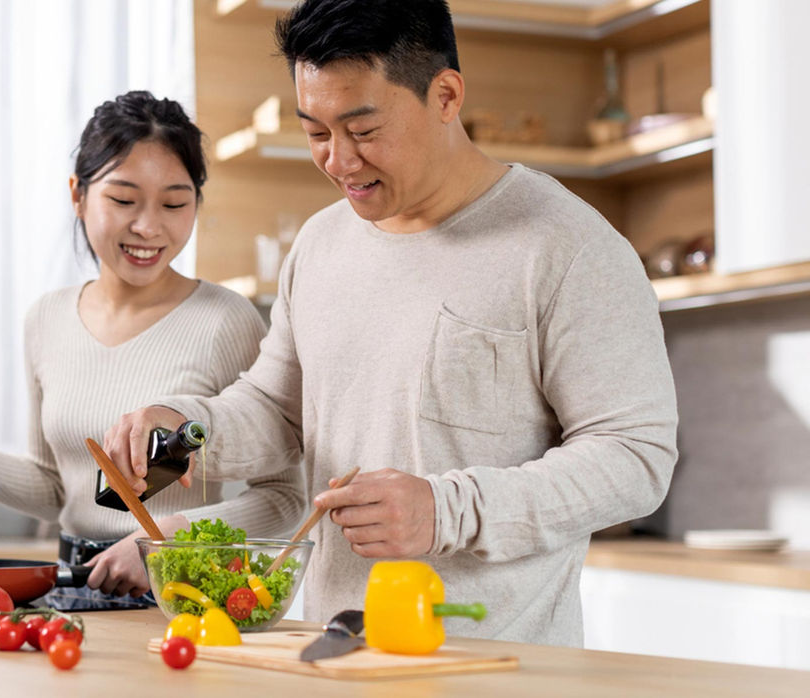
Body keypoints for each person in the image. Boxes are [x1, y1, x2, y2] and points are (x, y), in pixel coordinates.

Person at [101, 0, 677, 646]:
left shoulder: (567, 247)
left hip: (496, 668)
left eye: (363, 130)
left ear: (446, 95)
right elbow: (277, 410)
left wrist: (444, 510)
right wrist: (186, 430)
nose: (339, 161)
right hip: (327, 652)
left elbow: (635, 458)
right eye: (316, 131)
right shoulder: (321, 244)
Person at [0, 91, 305, 608]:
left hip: (173, 595)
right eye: (124, 200)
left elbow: (285, 497)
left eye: (174, 203)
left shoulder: (225, 321)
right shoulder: (47, 318)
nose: (149, 226)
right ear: (78, 195)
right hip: (67, 592)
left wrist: (166, 538)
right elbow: (58, 488)